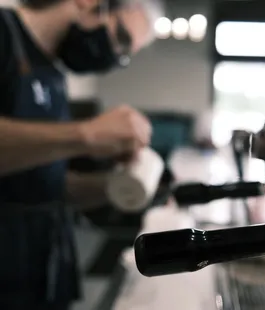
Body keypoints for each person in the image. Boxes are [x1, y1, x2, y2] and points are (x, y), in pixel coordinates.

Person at [0, 0, 162, 309]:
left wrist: (116, 183)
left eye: (124, 55)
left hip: (40, 277)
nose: (115, 55)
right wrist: (86, 135)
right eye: (122, 38)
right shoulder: (5, 35)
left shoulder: (53, 74)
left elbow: (48, 185)